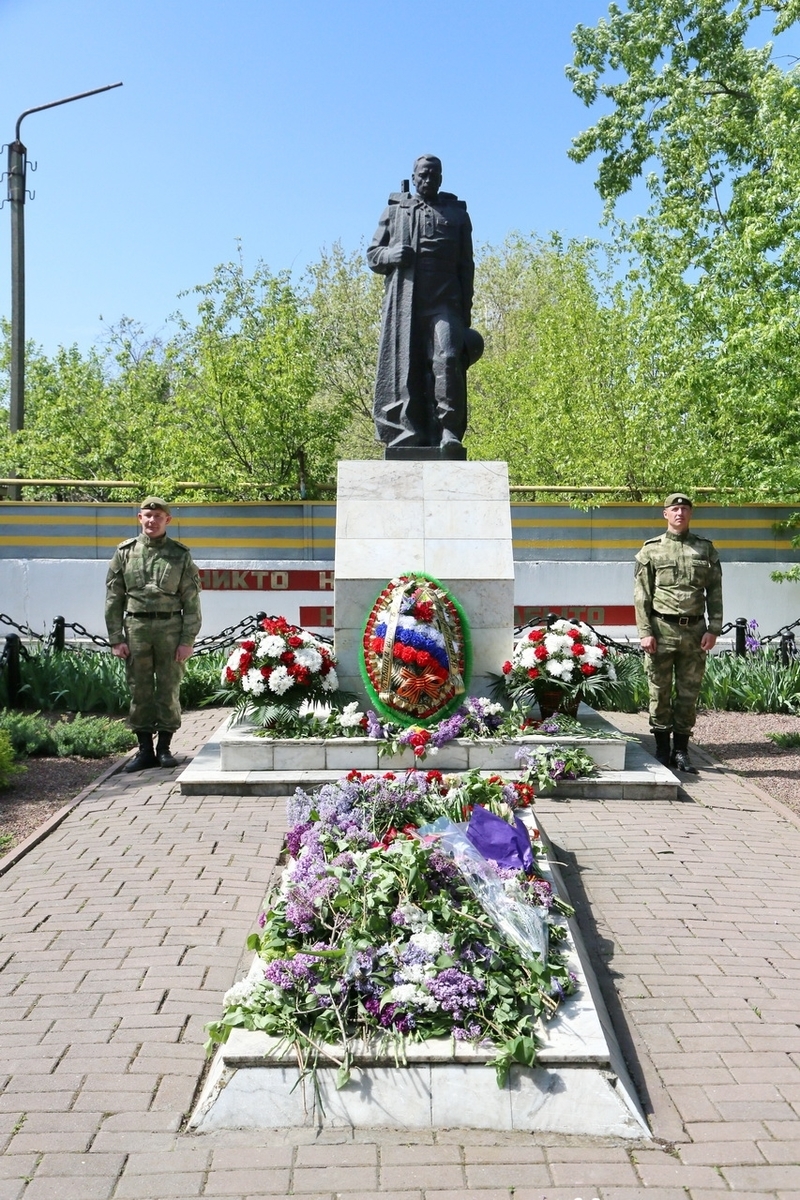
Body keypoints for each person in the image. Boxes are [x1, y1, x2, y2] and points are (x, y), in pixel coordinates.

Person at [367, 155, 480, 457]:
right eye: (423, 175)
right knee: (407, 367)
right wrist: (391, 256)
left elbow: (466, 265)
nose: (428, 179)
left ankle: (449, 431)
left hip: (445, 303)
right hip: (408, 302)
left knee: (449, 358)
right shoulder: (395, 212)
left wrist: (465, 311)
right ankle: (408, 430)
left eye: (434, 175)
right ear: (414, 177)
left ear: (441, 178)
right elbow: (373, 256)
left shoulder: (457, 215)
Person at [105, 497, 202, 771]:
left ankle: (165, 749)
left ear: (167, 520)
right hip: (135, 628)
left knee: (169, 688)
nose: (152, 521)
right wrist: (116, 638)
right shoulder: (124, 552)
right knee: (139, 688)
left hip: (170, 629)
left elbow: (192, 603)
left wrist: (187, 641)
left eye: (158, 516)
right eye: (147, 515)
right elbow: (114, 599)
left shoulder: (180, 555)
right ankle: (144, 750)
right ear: (139, 518)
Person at [634, 493, 723, 773]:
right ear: (665, 514)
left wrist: (714, 628)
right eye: (674, 509)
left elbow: (715, 592)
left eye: (684, 509)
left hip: (695, 632)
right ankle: (661, 749)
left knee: (688, 693)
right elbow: (642, 596)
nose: (680, 513)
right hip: (661, 630)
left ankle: (682, 751)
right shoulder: (651, 550)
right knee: (658, 691)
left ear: (690, 514)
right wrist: (645, 631)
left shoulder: (705, 549)